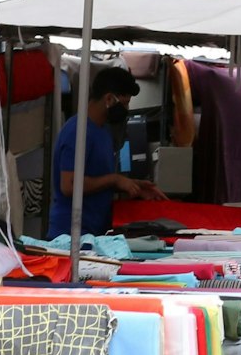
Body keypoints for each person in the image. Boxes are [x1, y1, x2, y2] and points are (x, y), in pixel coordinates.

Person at [48, 66, 163, 238]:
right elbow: (69, 185)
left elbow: (98, 179)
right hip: (70, 235)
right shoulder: (77, 131)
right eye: (124, 103)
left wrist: (132, 186)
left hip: (94, 232)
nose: (126, 109)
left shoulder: (103, 132)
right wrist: (114, 180)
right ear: (109, 99)